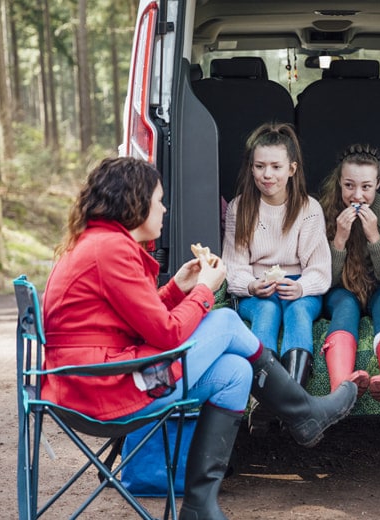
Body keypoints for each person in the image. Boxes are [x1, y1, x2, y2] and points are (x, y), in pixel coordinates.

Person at [41, 157, 358, 520]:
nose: (164, 208)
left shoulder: (102, 244)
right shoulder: (110, 250)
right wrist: (205, 291)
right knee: (224, 319)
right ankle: (304, 412)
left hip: (102, 379)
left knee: (236, 373)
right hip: (106, 390)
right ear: (135, 202)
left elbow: (139, 321)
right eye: (158, 200)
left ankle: (198, 506)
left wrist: (178, 288)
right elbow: (167, 333)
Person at [222, 122, 331, 387]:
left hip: (298, 285)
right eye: (259, 167)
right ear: (251, 168)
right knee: (267, 312)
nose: (266, 174)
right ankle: (263, 393)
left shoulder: (309, 208)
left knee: (298, 313)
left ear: (292, 169)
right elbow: (233, 264)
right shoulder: (240, 207)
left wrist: (301, 287)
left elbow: (319, 267)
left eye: (276, 167)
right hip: (257, 287)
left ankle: (292, 393)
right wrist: (250, 285)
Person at [318, 144, 380, 415]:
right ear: (339, 182)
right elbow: (326, 281)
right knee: (345, 307)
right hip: (340, 288)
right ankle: (340, 388)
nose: (357, 195)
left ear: (378, 183)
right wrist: (340, 239)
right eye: (349, 185)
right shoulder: (324, 210)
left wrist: (374, 237)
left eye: (366, 187)